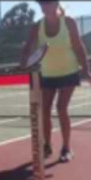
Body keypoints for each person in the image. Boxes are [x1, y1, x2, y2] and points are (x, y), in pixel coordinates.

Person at [21, 0, 91, 162]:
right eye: (42, 4)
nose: (45, 7)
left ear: (56, 4)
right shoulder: (37, 27)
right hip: (48, 74)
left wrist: (86, 70)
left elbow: (78, 46)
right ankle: (47, 145)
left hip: (69, 72)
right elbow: (28, 47)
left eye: (48, 3)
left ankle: (66, 148)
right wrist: (24, 60)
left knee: (61, 108)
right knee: (45, 110)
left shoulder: (69, 22)